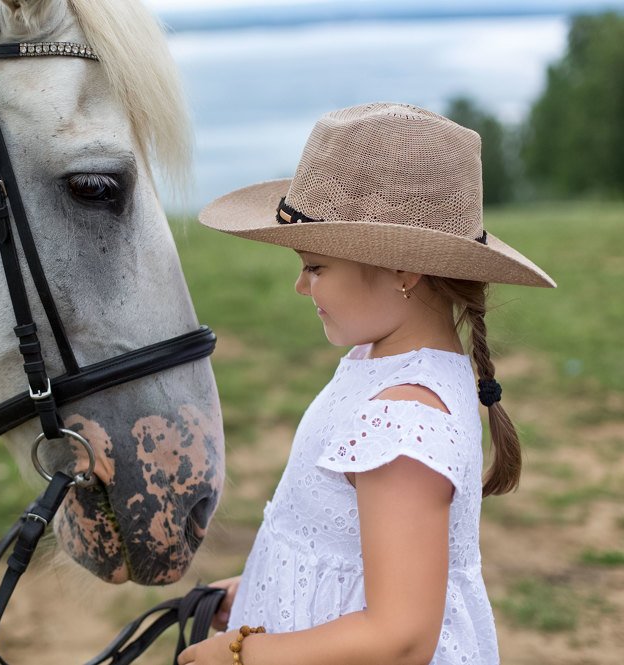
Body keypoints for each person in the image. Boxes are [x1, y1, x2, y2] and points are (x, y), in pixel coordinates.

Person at [178, 102, 556, 665]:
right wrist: (265, 588)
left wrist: (237, 656)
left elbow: (399, 637)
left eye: (316, 267)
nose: (301, 287)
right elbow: (340, 547)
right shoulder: (378, 360)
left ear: (404, 270)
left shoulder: (406, 419)